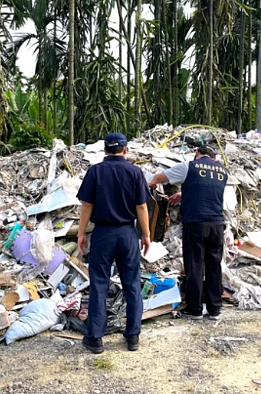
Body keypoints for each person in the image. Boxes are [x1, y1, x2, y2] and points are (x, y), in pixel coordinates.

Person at [76, 133, 152, 354]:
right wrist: (145, 235)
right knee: (132, 284)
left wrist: (81, 232)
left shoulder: (95, 172)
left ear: (105, 150)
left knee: (99, 285)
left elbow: (87, 205)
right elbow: (142, 208)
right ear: (125, 150)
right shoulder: (135, 172)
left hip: (103, 234)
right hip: (128, 234)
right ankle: (133, 336)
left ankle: (95, 339)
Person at [149, 145, 228, 320]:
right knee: (214, 266)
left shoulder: (188, 166)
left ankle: (195, 310)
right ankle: (215, 309)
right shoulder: (223, 171)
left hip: (196, 223)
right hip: (217, 224)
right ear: (213, 159)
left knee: (195, 265)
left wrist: (152, 183)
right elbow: (206, 188)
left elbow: (161, 177)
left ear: (197, 154)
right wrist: (183, 194)